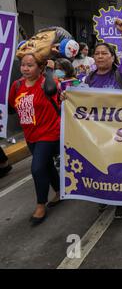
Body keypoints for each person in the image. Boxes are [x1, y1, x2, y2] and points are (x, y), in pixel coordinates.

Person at [83, 18, 122, 219]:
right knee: (99, 164)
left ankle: (121, 201)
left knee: (118, 168)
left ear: (113, 57)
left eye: (104, 53)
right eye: (97, 53)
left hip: (119, 132)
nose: (100, 56)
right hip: (97, 133)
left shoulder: (120, 75)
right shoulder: (89, 79)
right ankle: (104, 195)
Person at [8, 54, 61, 225]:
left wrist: (51, 71)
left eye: (30, 65)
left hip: (49, 133)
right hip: (30, 135)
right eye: (23, 65)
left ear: (40, 67)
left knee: (37, 168)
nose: (25, 68)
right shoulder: (16, 86)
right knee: (47, 165)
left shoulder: (48, 82)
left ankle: (40, 204)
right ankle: (60, 190)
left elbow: (57, 93)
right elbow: (10, 107)